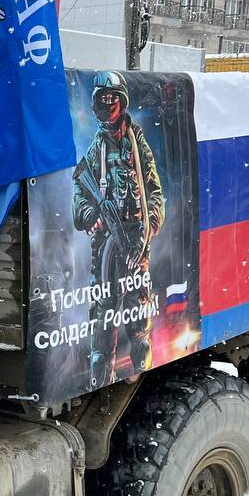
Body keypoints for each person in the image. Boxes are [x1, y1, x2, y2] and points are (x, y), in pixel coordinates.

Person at [71, 71, 164, 388]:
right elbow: (78, 201)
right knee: (104, 318)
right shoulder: (95, 151)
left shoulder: (138, 145)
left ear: (122, 102)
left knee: (139, 323)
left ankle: (141, 379)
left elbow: (154, 193)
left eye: (114, 98)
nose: (108, 103)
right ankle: (101, 382)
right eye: (103, 99)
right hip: (108, 243)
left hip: (136, 241)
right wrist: (91, 215)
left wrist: (145, 233)